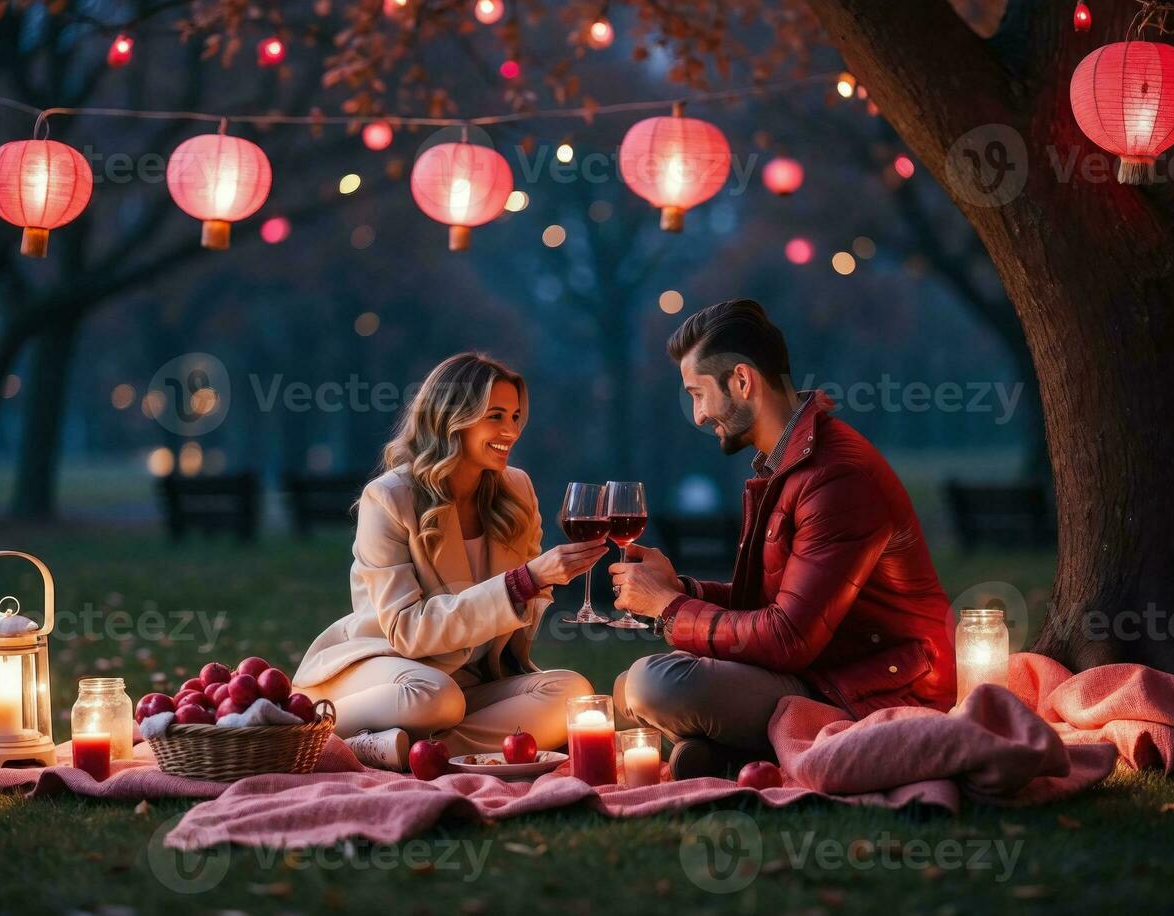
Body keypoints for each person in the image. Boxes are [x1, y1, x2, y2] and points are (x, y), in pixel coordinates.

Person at [608, 299, 957, 779]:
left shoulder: (835, 477)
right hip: (819, 667)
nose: (698, 415)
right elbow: (770, 605)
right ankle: (725, 751)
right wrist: (685, 590)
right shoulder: (789, 464)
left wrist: (669, 608)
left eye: (697, 393)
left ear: (743, 382)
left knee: (653, 686)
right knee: (626, 688)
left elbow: (788, 637)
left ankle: (730, 747)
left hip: (869, 687)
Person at [294, 352, 607, 771]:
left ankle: (416, 751)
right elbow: (407, 631)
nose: (510, 431)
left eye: (515, 417)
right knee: (435, 697)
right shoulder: (389, 498)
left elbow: (516, 617)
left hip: (467, 684)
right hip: (391, 671)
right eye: (495, 416)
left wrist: (541, 585)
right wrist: (523, 582)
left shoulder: (516, 490)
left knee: (573, 692)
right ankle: (317, 728)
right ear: (452, 417)